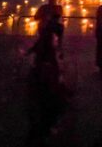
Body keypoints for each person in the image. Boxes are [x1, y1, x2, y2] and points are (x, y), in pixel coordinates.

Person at [26, 17, 68, 145]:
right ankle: (46, 129)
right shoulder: (48, 55)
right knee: (49, 106)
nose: (57, 41)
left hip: (43, 83)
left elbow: (35, 50)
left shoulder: (44, 46)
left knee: (43, 106)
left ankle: (42, 129)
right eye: (55, 40)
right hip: (48, 85)